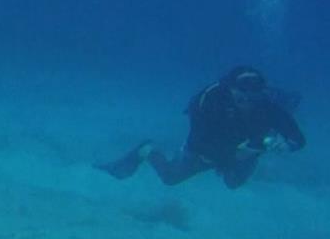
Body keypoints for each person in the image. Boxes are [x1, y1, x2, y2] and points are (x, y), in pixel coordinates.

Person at [98, 66, 306, 189]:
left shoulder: (267, 108)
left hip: (244, 153)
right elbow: (199, 142)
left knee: (233, 184)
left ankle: (234, 165)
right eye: (241, 94)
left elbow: (298, 139)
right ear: (230, 89)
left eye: (253, 96)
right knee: (170, 178)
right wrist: (234, 155)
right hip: (204, 153)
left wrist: (286, 146)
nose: (247, 101)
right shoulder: (210, 102)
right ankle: (148, 149)